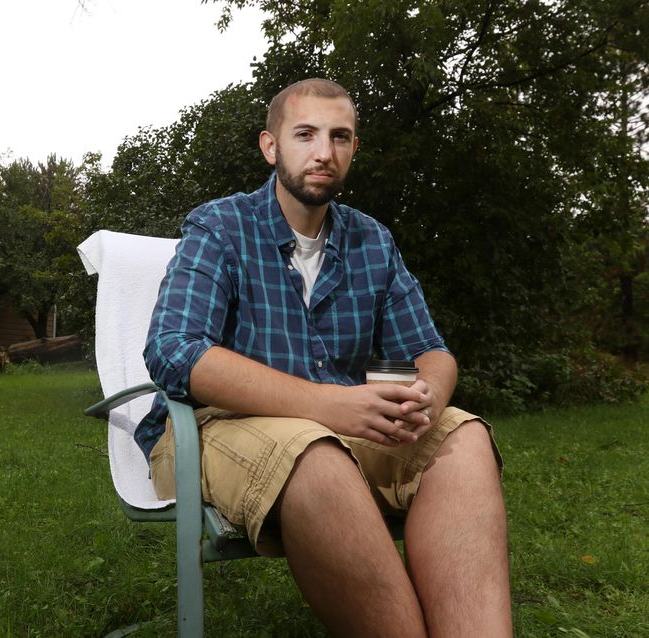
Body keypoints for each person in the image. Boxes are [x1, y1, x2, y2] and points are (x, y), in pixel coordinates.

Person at [140, 78, 512, 637]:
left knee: (464, 437)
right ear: (272, 147)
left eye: (340, 137)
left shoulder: (373, 241)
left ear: (354, 149)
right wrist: (327, 405)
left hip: (340, 434)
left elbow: (430, 351)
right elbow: (174, 350)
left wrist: (427, 401)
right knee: (312, 451)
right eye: (306, 134)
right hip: (211, 427)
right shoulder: (220, 227)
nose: (324, 152)